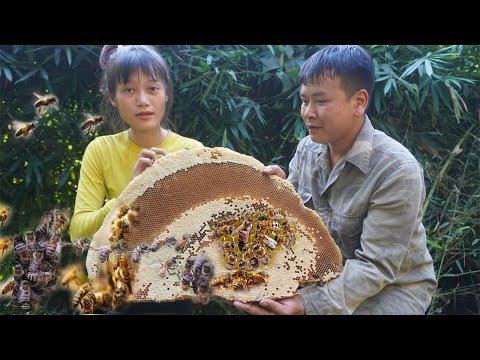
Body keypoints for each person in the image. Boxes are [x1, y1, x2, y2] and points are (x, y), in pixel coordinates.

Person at [234, 45, 438, 315]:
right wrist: (279, 196)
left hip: (391, 291)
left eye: (321, 101)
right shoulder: (307, 148)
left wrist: (307, 304)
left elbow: (376, 267)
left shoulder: (397, 170)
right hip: (322, 276)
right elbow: (294, 227)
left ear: (359, 102)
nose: (307, 112)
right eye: (304, 100)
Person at [69, 45, 203, 314]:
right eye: (129, 90)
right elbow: (78, 233)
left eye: (152, 88)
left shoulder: (192, 152)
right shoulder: (100, 150)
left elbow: (203, 234)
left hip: (172, 294)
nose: (142, 100)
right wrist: (131, 194)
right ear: (113, 98)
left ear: (166, 94)